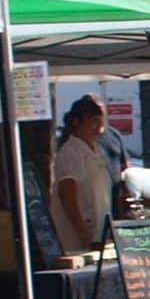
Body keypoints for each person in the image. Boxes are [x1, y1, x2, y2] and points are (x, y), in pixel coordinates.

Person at [50, 96, 114, 255]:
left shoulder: (98, 151)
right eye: (94, 122)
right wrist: (83, 232)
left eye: (101, 123)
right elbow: (67, 196)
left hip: (98, 235)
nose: (100, 129)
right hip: (78, 241)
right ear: (76, 121)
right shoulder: (70, 152)